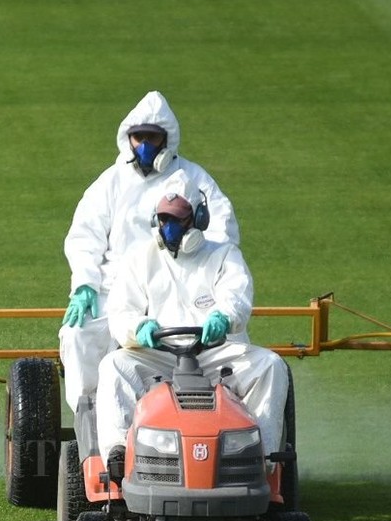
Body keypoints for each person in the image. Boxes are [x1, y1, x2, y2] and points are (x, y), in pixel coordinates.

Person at [59, 91, 239, 417]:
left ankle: (217, 416)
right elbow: (85, 237)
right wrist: (84, 283)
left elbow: (222, 237)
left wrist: (201, 279)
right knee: (78, 335)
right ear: (127, 138)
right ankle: (93, 418)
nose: (144, 145)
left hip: (178, 281)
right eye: (138, 137)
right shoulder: (110, 183)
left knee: (224, 344)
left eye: (152, 137)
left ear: (166, 139)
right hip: (114, 286)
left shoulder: (195, 180)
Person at [95, 191, 291, 475]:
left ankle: (261, 457)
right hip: (158, 356)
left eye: (177, 220)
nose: (170, 228)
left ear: (197, 220)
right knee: (113, 365)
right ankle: (119, 453)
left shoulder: (224, 255)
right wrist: (139, 328)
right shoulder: (139, 259)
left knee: (270, 365)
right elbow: (121, 312)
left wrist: (224, 317)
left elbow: (236, 297)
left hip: (214, 354)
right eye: (164, 220)